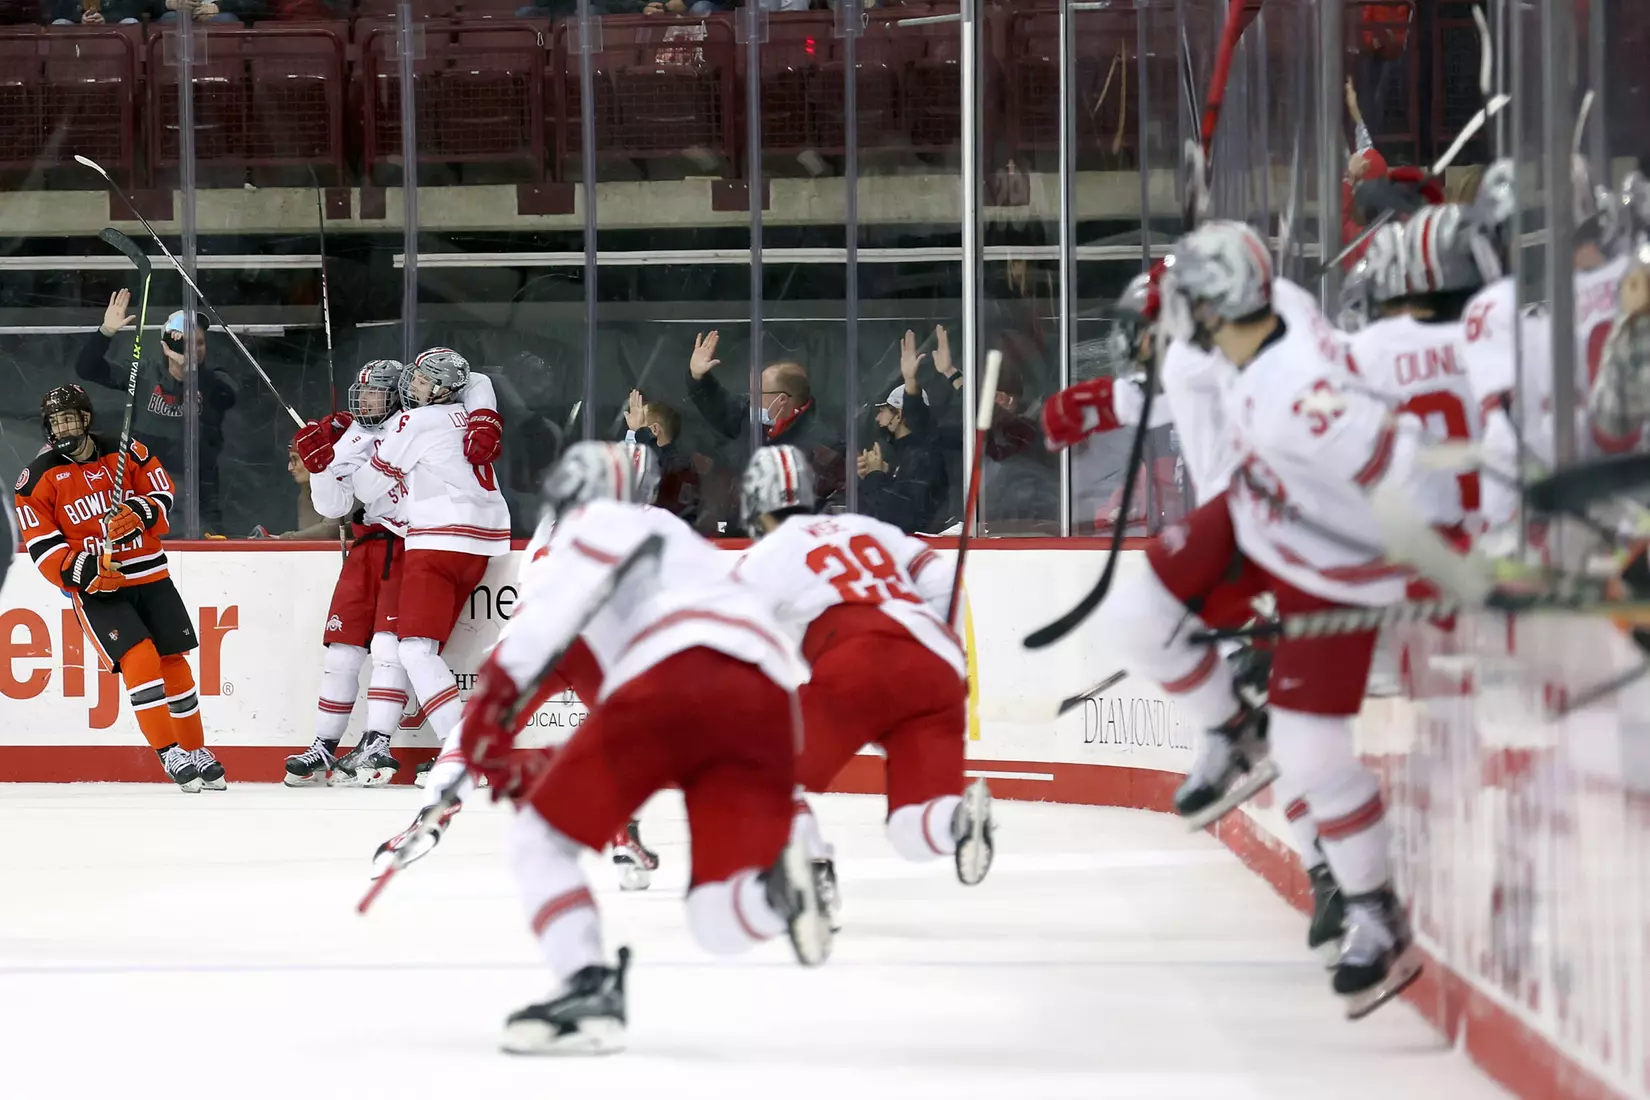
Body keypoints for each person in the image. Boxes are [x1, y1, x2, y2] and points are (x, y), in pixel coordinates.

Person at [1097, 221, 1423, 1018]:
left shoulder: (1285, 385)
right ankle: (1235, 730)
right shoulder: (1269, 315)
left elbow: (1398, 468)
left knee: (1310, 748)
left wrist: (1444, 557)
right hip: (1258, 510)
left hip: (1325, 539)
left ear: (1213, 307)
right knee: (1138, 613)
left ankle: (1364, 901)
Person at [455, 441, 828, 1054]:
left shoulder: (593, 526)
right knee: (718, 922)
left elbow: (531, 640)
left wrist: (472, 742)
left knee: (538, 840)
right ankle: (776, 891)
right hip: (761, 692)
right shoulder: (682, 536)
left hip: (674, 683)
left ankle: (587, 987)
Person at [734, 444, 994, 923]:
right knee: (914, 832)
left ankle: (812, 872)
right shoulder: (863, 526)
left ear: (755, 504)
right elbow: (941, 577)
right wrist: (937, 649)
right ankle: (958, 823)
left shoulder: (764, 557)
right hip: (934, 665)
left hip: (855, 658)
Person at [290, 351, 509, 791]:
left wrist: (485, 413)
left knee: (399, 649)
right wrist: (323, 469)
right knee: (344, 651)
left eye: (377, 392)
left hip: (418, 541)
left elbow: (475, 378)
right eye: (363, 391)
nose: (367, 400)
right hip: (377, 542)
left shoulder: (415, 421)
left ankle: (382, 743)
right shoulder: (365, 431)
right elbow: (333, 506)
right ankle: (324, 746)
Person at [13, 385, 225, 792]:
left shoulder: (127, 451)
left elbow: (162, 493)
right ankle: (170, 753)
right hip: (99, 590)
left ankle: (197, 749)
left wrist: (139, 511)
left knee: (172, 660)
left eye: (69, 418)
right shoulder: (37, 477)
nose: (62, 427)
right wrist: (84, 568)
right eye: (55, 421)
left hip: (150, 574)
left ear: (86, 419)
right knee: (140, 658)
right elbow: (41, 546)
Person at [77, 296, 238, 529]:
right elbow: (87, 369)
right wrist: (106, 331)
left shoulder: (214, 379)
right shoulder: (144, 372)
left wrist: (190, 370)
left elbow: (227, 398)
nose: (194, 349)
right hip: (146, 484)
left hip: (199, 490)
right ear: (166, 345)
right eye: (187, 343)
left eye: (200, 343)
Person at [686, 330, 846, 507]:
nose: (751, 398)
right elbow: (718, 404)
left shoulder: (824, 442)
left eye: (759, 393)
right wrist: (698, 377)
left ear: (782, 400)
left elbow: (828, 497)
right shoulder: (747, 416)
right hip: (740, 526)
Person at [856, 330, 949, 533]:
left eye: (882, 411)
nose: (877, 418)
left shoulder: (922, 455)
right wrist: (878, 475)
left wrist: (875, 476)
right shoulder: (905, 456)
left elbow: (901, 516)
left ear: (898, 415)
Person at [622, 389, 698, 523]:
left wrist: (638, 432)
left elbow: (652, 471)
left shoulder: (678, 463)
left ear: (655, 430)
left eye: (641, 422)